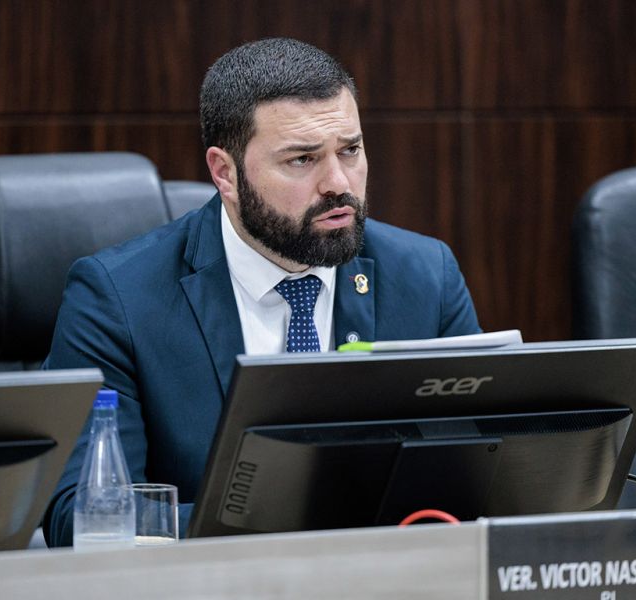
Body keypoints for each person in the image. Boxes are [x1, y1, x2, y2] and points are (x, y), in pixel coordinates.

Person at [42, 37, 481, 546]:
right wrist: (296, 519)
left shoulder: (425, 275)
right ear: (224, 173)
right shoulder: (118, 297)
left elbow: (478, 476)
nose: (338, 183)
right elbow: (82, 515)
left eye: (350, 150)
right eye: (301, 160)